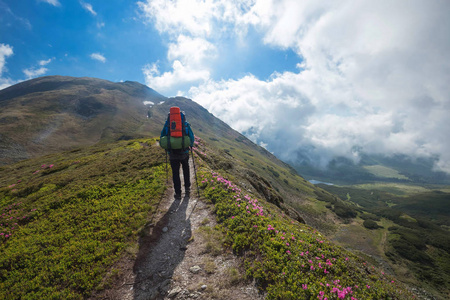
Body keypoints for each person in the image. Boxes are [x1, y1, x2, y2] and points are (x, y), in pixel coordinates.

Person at [160, 107, 195, 199]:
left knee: (175, 173)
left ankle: (178, 193)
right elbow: (191, 136)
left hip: (172, 154)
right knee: (186, 169)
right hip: (184, 152)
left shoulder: (168, 125)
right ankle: (187, 188)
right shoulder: (186, 125)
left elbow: (162, 136)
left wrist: (168, 148)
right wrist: (190, 145)